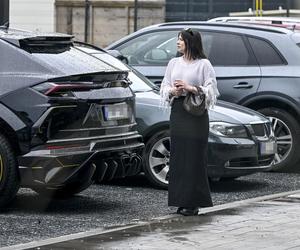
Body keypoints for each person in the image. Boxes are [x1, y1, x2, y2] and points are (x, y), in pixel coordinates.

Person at [160, 28, 219, 216]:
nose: (178, 43)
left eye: (181, 40)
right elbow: (164, 86)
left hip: (196, 115)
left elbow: (211, 91)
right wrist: (173, 91)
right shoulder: (173, 63)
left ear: (191, 43)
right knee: (179, 157)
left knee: (194, 157)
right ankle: (180, 201)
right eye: (177, 39)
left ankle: (193, 203)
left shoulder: (204, 64)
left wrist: (190, 87)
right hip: (178, 111)